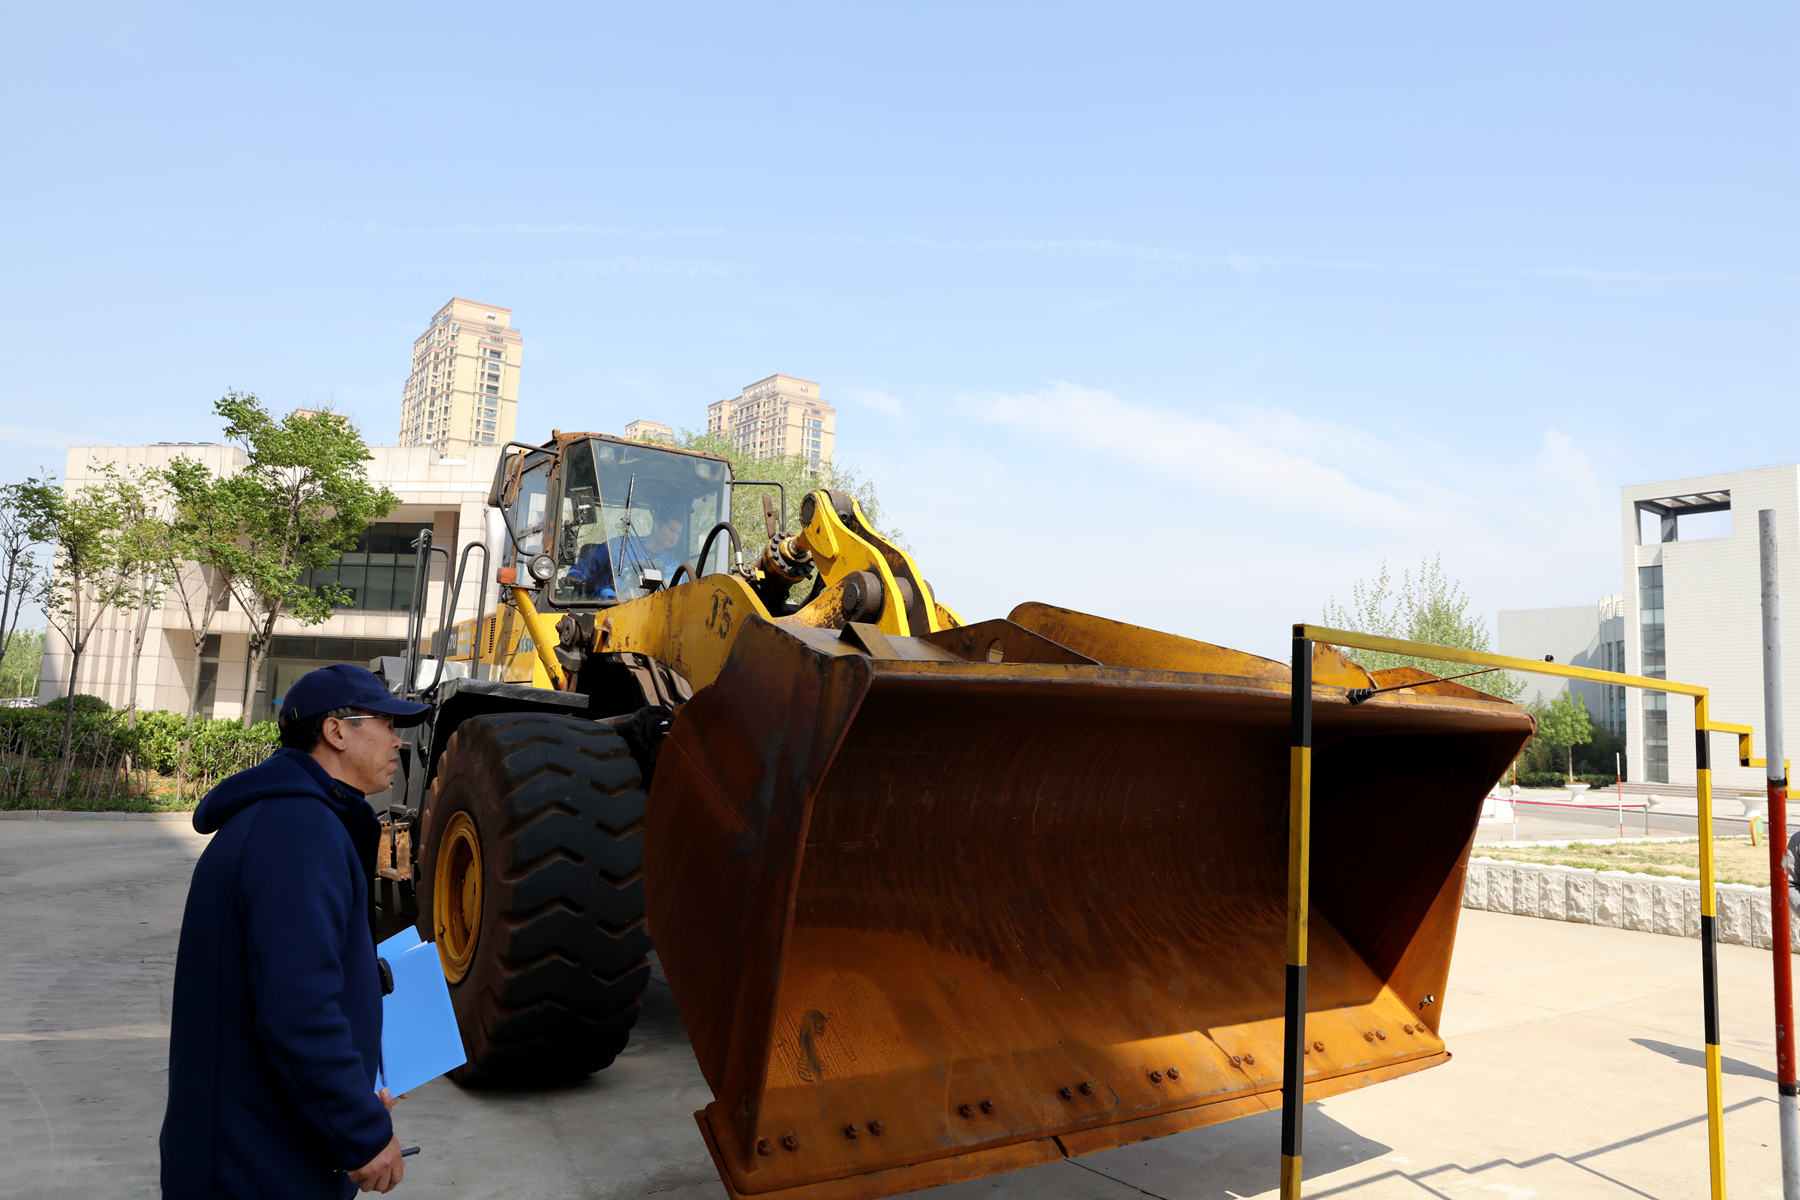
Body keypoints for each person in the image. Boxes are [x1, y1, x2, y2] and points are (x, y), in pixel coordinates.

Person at [160, 664, 430, 1198]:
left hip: (271, 1144)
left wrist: (353, 1090)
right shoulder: (296, 832)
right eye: (387, 723)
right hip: (252, 1169)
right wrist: (362, 1132)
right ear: (337, 731)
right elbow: (299, 1011)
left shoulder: (298, 820)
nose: (400, 740)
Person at [566, 502, 687, 599]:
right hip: (606, 606)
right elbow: (591, 562)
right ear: (656, 527)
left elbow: (671, 595)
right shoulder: (621, 545)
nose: (675, 536)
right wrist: (575, 575)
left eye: (678, 533)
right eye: (672, 530)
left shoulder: (672, 566)